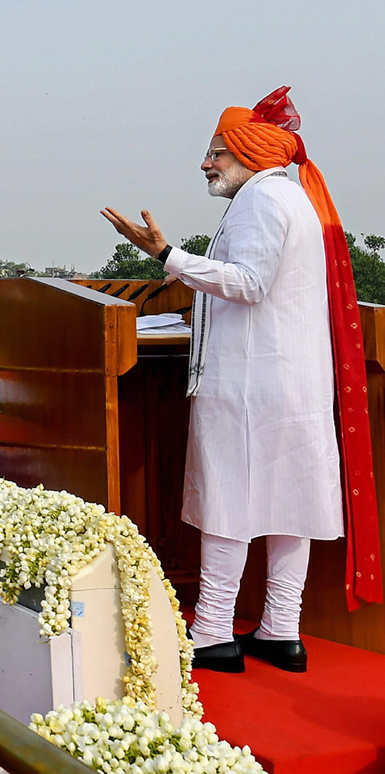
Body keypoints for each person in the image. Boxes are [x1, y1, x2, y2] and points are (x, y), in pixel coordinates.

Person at [102, 87, 382, 674]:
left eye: (217, 154)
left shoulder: (261, 201)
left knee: (229, 502)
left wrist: (167, 256)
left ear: (250, 154)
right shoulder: (292, 197)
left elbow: (249, 283)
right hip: (291, 384)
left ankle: (210, 632)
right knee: (289, 508)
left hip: (250, 387)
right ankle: (282, 630)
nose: (206, 164)